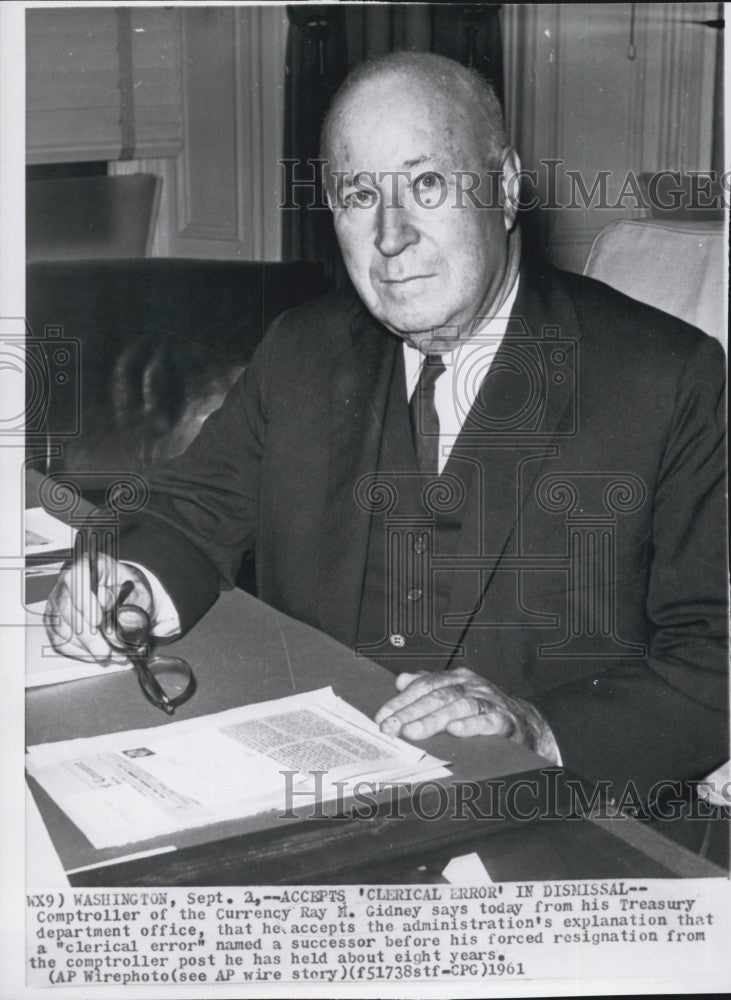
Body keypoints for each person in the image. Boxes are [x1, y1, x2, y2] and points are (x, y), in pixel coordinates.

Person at [46, 52, 728, 802]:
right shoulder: (303, 350)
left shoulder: (666, 377)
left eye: (427, 184)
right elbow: (191, 510)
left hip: (538, 822)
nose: (390, 235)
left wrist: (537, 727)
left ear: (502, 190)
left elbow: (716, 656)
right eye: (358, 196)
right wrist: (126, 581)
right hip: (300, 790)